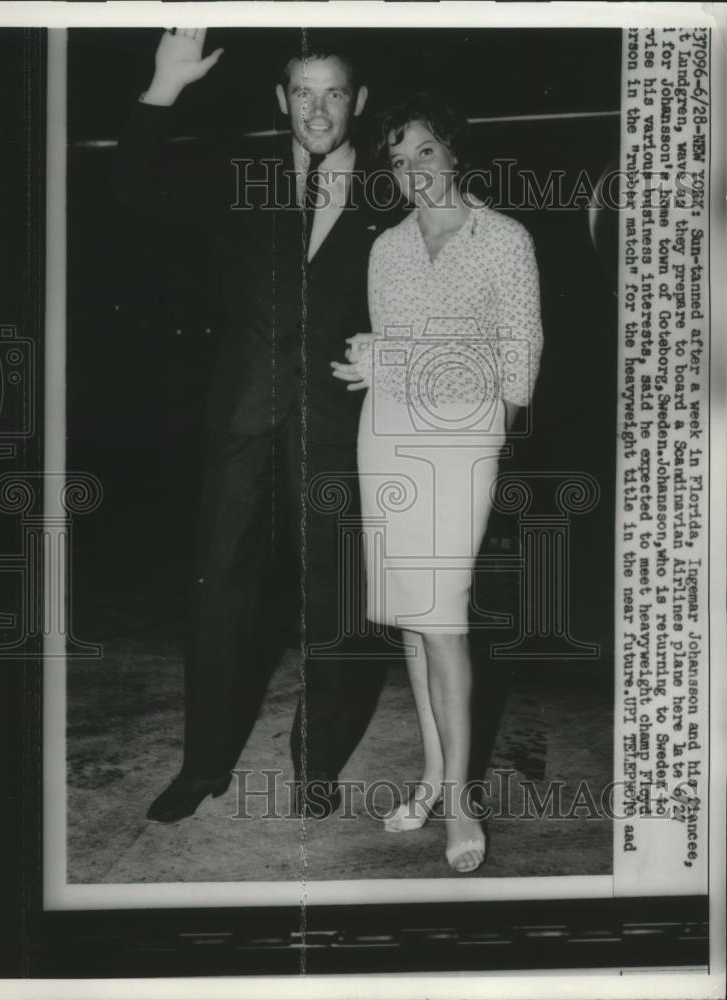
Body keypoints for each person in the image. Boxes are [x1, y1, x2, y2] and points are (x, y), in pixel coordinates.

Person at [114, 28, 399, 823]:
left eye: (334, 92)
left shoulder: (392, 192)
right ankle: (201, 766)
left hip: (342, 426)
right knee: (220, 598)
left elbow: (449, 293)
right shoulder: (240, 178)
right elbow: (133, 186)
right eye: (303, 92)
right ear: (282, 101)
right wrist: (163, 87)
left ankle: (318, 764)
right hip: (242, 418)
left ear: (359, 102)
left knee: (339, 602)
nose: (318, 109)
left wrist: (400, 355)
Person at [331, 95, 543, 872]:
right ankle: (432, 775)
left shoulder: (505, 240)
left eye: (425, 151)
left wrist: (404, 369)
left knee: (443, 615)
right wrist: (372, 359)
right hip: (387, 434)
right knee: (414, 623)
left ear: (453, 154)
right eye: (397, 159)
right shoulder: (385, 248)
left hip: (464, 440)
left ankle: (459, 802)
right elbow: (390, 348)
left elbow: (516, 365)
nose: (413, 170)